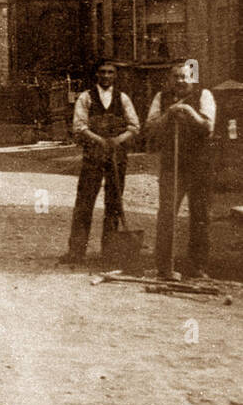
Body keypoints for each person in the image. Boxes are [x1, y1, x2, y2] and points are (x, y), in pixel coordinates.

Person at [59, 61, 140, 266]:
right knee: (84, 203)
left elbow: (134, 126)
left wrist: (117, 141)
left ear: (115, 75)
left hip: (117, 157)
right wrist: (99, 140)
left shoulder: (123, 98)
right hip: (93, 156)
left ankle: (110, 253)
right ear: (96, 74)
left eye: (110, 72)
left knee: (114, 204)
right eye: (102, 72)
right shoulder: (86, 97)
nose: (106, 76)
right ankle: (76, 251)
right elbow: (79, 126)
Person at [145, 61, 216, 281]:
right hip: (171, 165)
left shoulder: (204, 95)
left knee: (200, 215)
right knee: (167, 215)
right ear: (170, 79)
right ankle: (164, 267)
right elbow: (151, 128)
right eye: (176, 76)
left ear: (192, 78)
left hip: (199, 166)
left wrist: (186, 110)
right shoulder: (161, 98)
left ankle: (197, 267)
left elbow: (207, 127)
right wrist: (170, 113)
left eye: (185, 76)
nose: (180, 81)